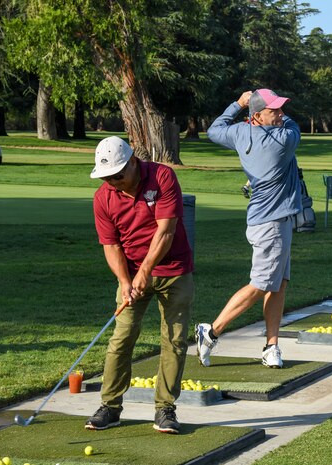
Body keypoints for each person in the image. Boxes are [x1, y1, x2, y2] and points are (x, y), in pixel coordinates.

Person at [86, 136, 194, 434]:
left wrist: (145, 271)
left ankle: (165, 408)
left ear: (133, 162)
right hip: (131, 272)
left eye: (118, 175)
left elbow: (167, 230)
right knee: (122, 336)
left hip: (173, 269)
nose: (113, 182)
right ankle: (110, 406)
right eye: (107, 177)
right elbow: (111, 246)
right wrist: (124, 281)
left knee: (174, 339)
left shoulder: (162, 176)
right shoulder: (103, 198)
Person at [195, 89, 302, 369]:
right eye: (274, 111)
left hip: (275, 220)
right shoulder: (283, 139)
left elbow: (215, 129)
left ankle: (271, 345)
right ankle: (211, 332)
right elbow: (294, 126)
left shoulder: (240, 133)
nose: (280, 114)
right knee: (261, 285)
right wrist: (254, 109)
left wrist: (238, 104)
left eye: (280, 109)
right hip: (271, 224)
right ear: (257, 116)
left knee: (279, 284)